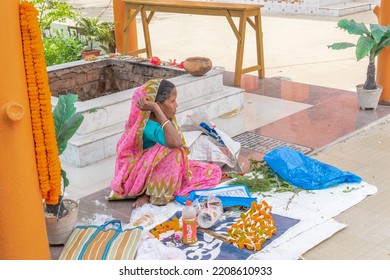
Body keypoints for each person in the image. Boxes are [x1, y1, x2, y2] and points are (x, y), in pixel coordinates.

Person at [109, 78, 222, 207]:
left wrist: (158, 110)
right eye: (172, 101)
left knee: (207, 170)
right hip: (135, 176)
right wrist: (156, 109)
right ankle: (152, 193)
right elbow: (176, 143)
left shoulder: (159, 120)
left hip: (148, 168)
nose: (176, 105)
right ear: (157, 104)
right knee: (174, 151)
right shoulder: (148, 126)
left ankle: (158, 187)